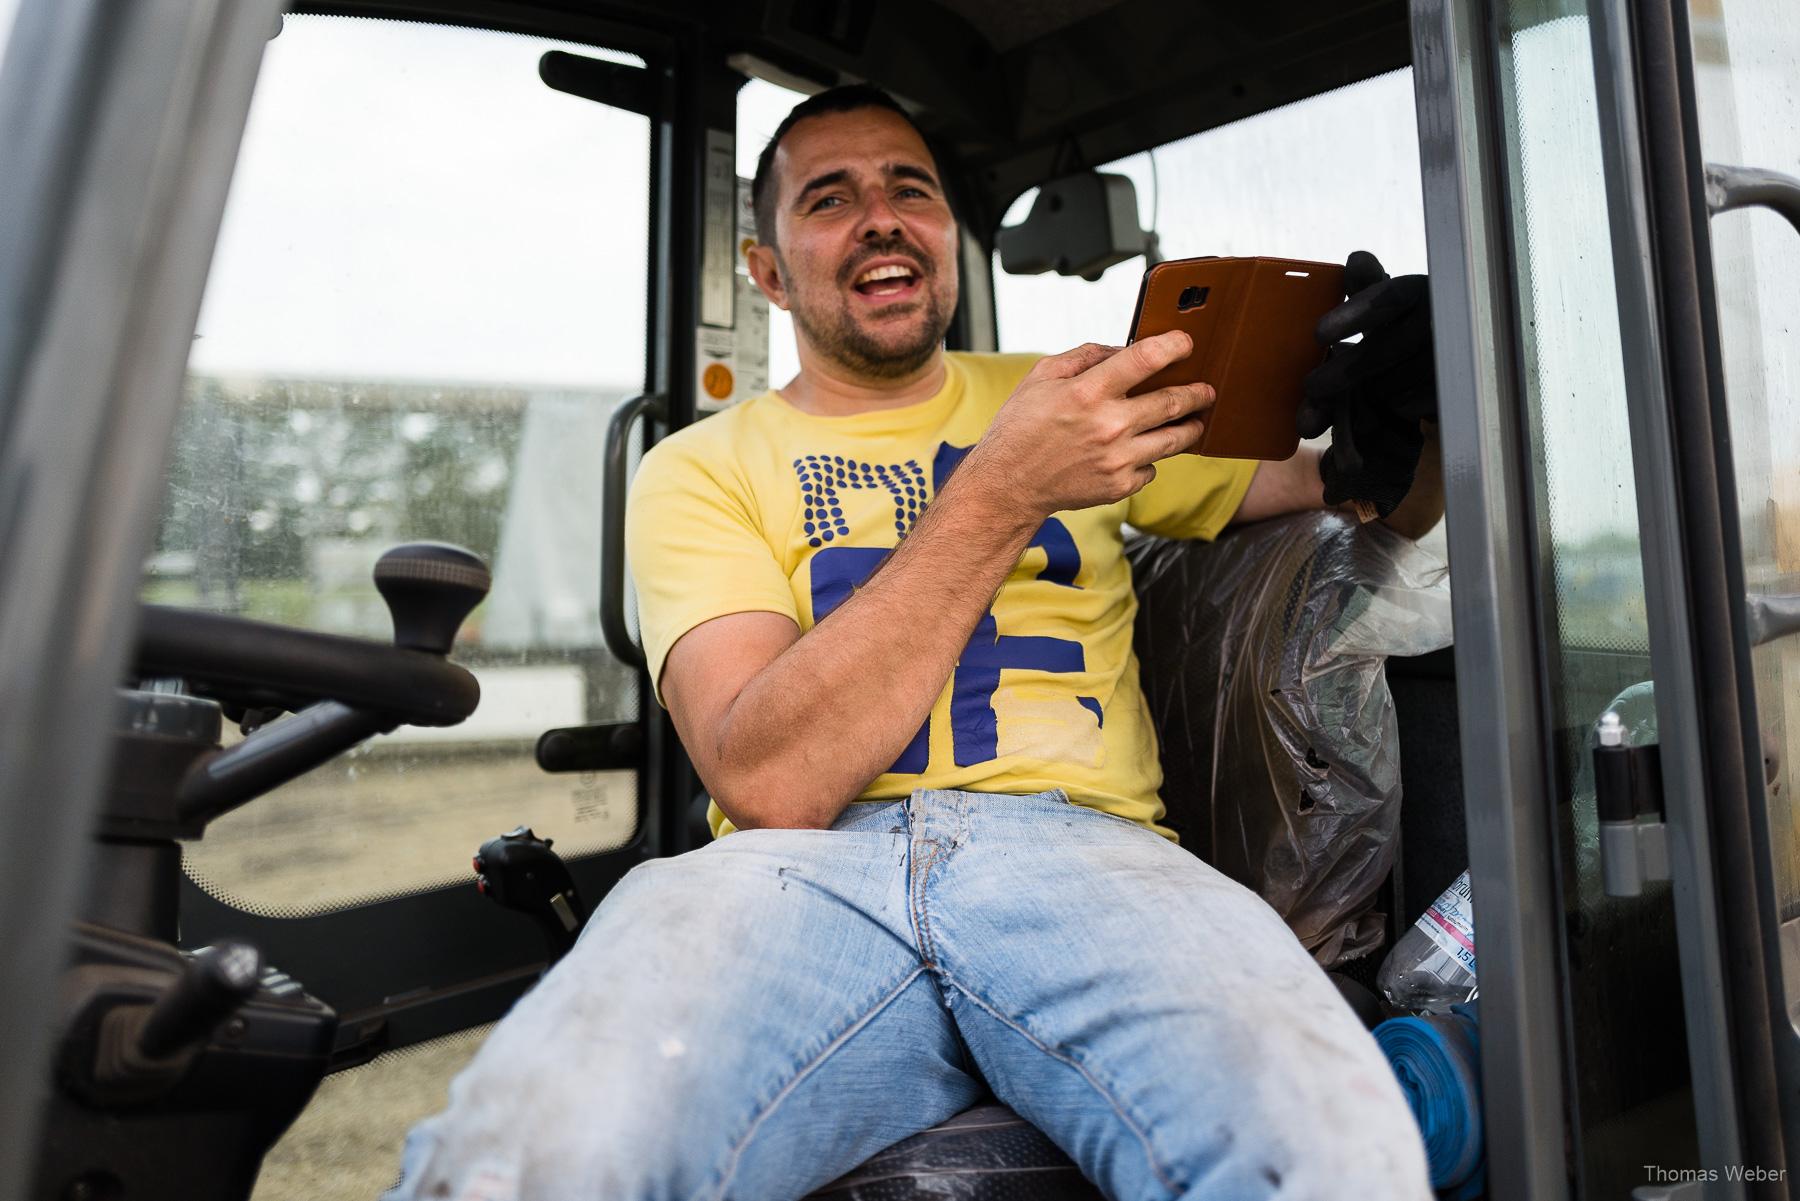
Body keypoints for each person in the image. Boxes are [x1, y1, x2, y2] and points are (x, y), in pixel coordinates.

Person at [386, 85, 1442, 1201]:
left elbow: (1362, 496)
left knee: (1329, 1150)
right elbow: (770, 777)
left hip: (1086, 854)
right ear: (768, 270)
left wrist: (1419, 408)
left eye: (910, 190)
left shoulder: (1074, 395)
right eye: (831, 198)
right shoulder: (700, 466)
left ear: (946, 236)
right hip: (796, 877)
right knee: (526, 1157)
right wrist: (1006, 484)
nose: (880, 217)